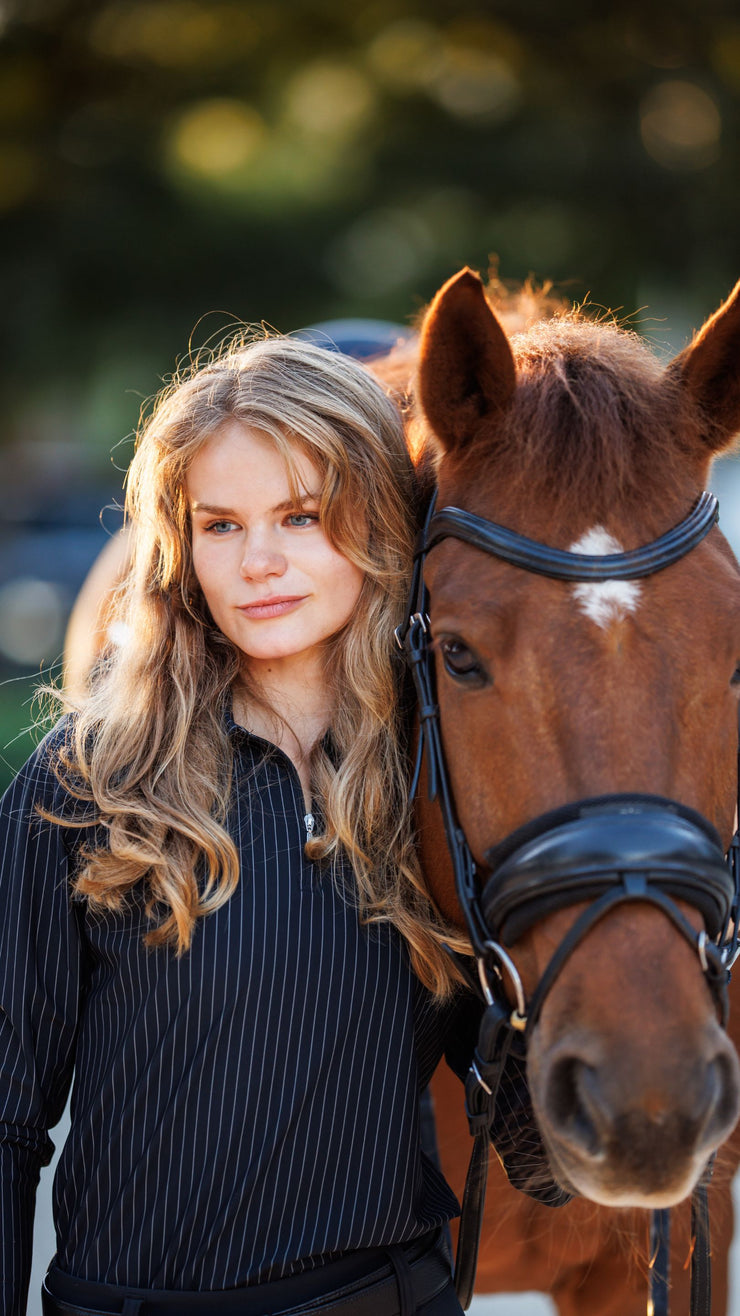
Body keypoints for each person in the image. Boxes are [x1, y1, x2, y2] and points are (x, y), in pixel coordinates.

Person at [0, 332, 481, 1316]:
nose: (257, 562)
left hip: (399, 1295)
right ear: (180, 544)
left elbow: (523, 1105)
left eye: (300, 516)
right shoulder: (90, 778)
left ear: (379, 524)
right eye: (219, 524)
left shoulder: (437, 778)